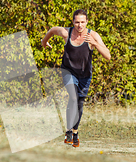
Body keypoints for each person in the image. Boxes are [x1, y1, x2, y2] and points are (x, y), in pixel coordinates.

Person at [41, 9, 111, 147]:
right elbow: (52, 30)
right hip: (68, 71)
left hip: (85, 75)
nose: (80, 25)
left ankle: (75, 132)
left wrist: (95, 44)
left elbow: (108, 56)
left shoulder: (93, 35)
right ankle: (68, 131)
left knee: (79, 103)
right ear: (73, 22)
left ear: (87, 22)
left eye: (83, 22)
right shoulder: (66, 33)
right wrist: (44, 42)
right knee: (73, 98)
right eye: (77, 22)